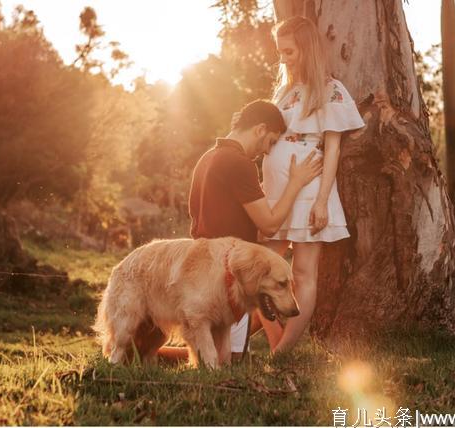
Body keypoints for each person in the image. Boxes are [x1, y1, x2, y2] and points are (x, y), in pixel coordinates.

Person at [156, 99, 322, 363]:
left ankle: (150, 356)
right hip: (224, 273)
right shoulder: (239, 163)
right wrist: (296, 183)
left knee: (214, 344)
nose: (265, 152)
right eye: (270, 142)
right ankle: (151, 357)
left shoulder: (207, 157)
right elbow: (268, 223)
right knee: (230, 359)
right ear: (259, 129)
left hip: (199, 265)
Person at [254, 16, 366, 354]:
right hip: (275, 190)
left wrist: (321, 202)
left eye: (288, 51)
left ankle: (283, 351)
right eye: (280, 52)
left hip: (309, 188)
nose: (283, 58)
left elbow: (332, 149)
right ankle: (273, 345)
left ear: (306, 49)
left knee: (303, 272)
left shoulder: (331, 90)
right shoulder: (284, 92)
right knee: (260, 270)